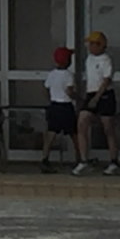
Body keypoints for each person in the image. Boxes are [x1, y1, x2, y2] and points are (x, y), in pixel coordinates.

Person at [73, 31, 120, 175]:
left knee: (108, 127)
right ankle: (83, 160)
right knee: (82, 122)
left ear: (101, 45)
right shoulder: (89, 59)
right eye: (89, 44)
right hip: (91, 92)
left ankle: (114, 161)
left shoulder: (106, 60)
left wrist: (97, 97)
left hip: (104, 94)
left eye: (93, 44)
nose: (90, 47)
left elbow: (106, 80)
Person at [40, 45, 78, 173]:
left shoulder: (51, 74)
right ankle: (80, 159)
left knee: (51, 134)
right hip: (66, 106)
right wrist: (79, 98)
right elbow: (69, 91)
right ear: (67, 61)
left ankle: (45, 159)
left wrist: (51, 99)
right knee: (74, 134)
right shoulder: (68, 75)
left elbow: (46, 89)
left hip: (54, 106)